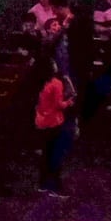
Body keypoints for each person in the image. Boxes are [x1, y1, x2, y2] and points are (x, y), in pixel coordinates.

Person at [34, 60, 77, 193]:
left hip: (41, 121)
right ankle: (56, 188)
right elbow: (59, 105)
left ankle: (42, 184)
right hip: (54, 122)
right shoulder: (56, 83)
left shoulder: (39, 83)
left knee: (45, 154)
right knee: (55, 154)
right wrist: (69, 102)